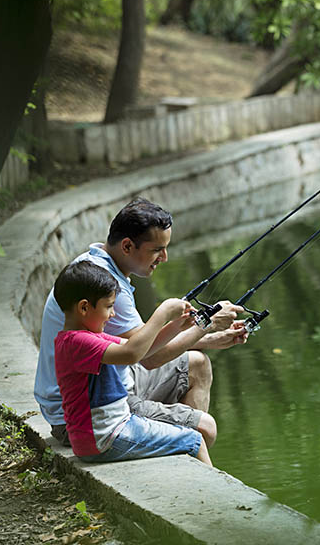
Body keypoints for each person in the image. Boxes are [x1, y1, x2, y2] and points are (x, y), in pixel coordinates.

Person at [34, 197, 247, 449]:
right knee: (203, 429)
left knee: (197, 364)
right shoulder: (106, 288)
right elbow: (147, 357)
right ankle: (184, 455)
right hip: (86, 411)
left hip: (95, 387)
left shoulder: (91, 264)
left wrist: (207, 338)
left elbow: (143, 346)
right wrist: (207, 324)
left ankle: (174, 444)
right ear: (127, 246)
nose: (164, 257)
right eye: (157, 249)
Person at [52, 259, 212, 464]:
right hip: (105, 438)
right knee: (194, 440)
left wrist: (177, 326)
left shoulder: (86, 337)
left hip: (109, 432)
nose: (113, 314)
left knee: (189, 437)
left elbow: (143, 350)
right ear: (84, 307)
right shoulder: (77, 342)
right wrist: (162, 312)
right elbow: (131, 353)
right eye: (109, 306)